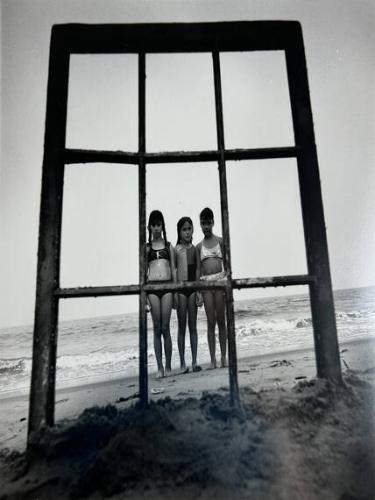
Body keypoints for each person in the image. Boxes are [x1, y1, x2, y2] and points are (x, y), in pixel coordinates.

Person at [146, 210, 176, 379]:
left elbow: (173, 269)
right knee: (156, 328)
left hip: (167, 289)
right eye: (154, 225)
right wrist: (143, 298)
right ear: (149, 227)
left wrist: (175, 291)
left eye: (159, 225)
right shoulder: (147, 248)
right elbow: (143, 273)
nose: (156, 228)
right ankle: (159, 367)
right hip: (152, 289)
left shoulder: (168, 246)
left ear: (162, 226)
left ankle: (169, 366)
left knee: (166, 328)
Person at [196, 207, 227, 369]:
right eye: (203, 223)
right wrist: (199, 292)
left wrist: (227, 287)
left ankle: (223, 358)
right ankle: (213, 359)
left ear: (213, 222)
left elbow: (227, 266)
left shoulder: (221, 241)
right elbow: (198, 271)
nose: (206, 226)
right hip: (206, 285)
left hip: (220, 284)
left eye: (208, 223)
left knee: (222, 321)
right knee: (210, 322)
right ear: (200, 224)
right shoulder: (199, 246)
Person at [175, 217, 202, 374]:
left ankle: (194, 361)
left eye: (189, 229)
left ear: (193, 230)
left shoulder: (195, 249)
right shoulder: (176, 249)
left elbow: (198, 270)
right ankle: (183, 363)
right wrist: (175, 294)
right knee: (181, 327)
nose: (187, 232)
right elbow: (175, 271)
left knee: (193, 326)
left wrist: (198, 291)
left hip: (192, 288)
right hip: (180, 290)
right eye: (184, 229)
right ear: (179, 231)